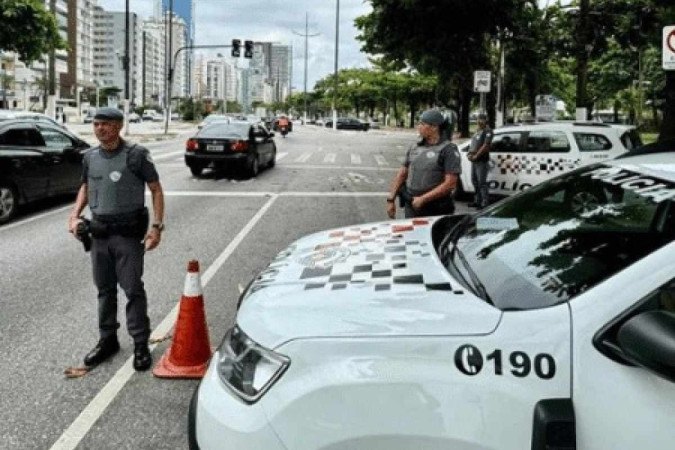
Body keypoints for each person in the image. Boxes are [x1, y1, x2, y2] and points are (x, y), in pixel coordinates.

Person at [67, 107, 165, 372]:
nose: (99, 128)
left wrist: (156, 227)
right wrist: (74, 215)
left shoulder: (136, 156)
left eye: (106, 124)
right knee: (104, 290)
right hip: (99, 234)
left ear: (119, 126)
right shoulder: (89, 157)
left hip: (127, 235)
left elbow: (155, 189)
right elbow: (86, 187)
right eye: (96, 124)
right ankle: (107, 339)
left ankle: (141, 343)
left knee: (132, 289)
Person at [386, 109, 461, 219]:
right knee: (412, 234)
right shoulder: (414, 147)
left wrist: (423, 199)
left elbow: (450, 183)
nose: (418, 126)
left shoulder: (448, 149)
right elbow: (402, 174)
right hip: (411, 204)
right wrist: (391, 199)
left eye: (422, 124)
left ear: (434, 127)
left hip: (435, 208)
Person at [467, 113, 493, 209]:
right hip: (474, 160)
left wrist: (477, 155)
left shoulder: (488, 131)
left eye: (481, 119)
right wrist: (469, 154)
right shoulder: (477, 131)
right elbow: (473, 144)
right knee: (474, 181)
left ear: (486, 120)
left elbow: (485, 146)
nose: (479, 121)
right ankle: (477, 201)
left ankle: (484, 203)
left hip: (481, 160)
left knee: (481, 182)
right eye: (478, 119)